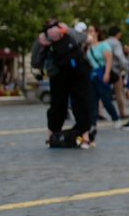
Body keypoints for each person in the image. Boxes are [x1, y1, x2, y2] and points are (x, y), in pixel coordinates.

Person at [33, 19, 94, 148]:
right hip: (78, 68)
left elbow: (35, 62)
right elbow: (89, 39)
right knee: (81, 101)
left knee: (57, 103)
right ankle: (85, 138)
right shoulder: (67, 31)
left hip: (57, 72)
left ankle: (50, 137)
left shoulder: (41, 39)